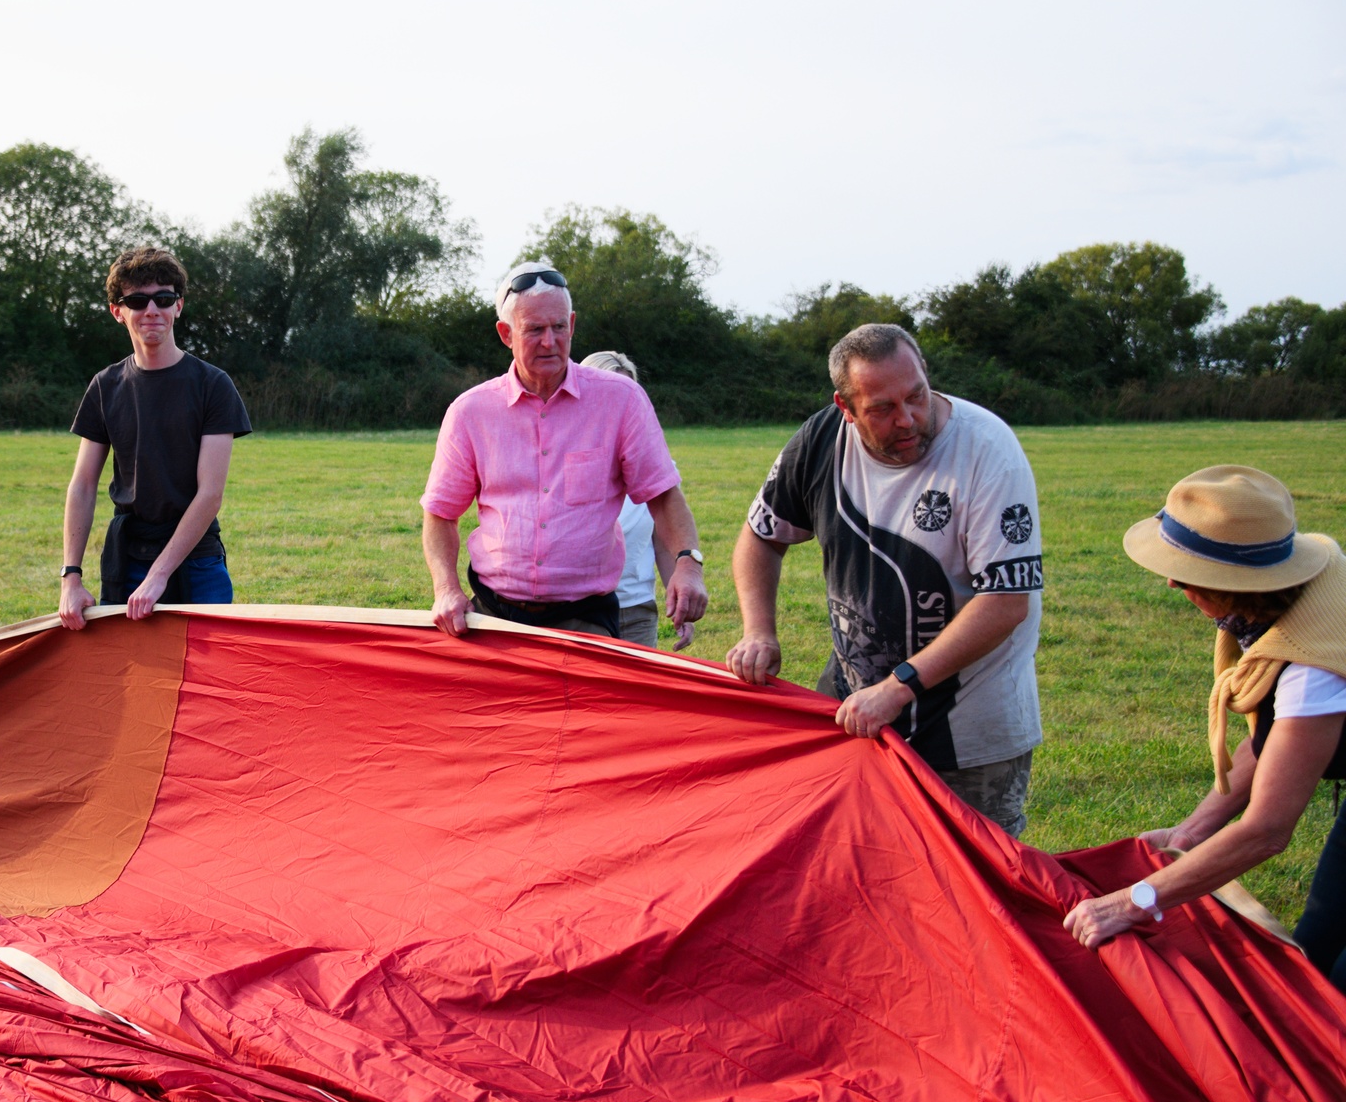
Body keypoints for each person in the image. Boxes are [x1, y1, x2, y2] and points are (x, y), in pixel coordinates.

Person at [727, 323, 1043, 835]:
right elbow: (761, 537)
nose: (908, 419)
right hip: (854, 710)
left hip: (968, 731)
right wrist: (759, 630)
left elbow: (1005, 602)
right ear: (845, 408)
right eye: (882, 409)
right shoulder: (822, 440)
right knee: (851, 857)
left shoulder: (987, 451)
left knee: (970, 875)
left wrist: (898, 688)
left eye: (916, 395)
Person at [1064, 466, 1346, 980]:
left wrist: (1133, 902)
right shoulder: (1294, 600)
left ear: (1234, 584)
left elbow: (1267, 830)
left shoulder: (1313, 664)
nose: (1172, 582)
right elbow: (1271, 743)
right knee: (1319, 953)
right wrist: (1191, 831)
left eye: (1187, 573)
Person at [421, 262, 709, 644]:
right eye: (534, 330)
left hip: (585, 618)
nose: (549, 341)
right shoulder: (470, 412)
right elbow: (441, 513)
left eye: (558, 327)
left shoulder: (621, 400)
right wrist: (445, 588)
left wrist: (688, 563)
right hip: (495, 616)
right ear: (506, 334)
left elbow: (663, 496)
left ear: (572, 325)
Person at [59, 247, 251, 629]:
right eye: (137, 300)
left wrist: (159, 575)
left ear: (178, 306)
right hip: (128, 559)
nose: (152, 310)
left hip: (198, 562)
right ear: (117, 311)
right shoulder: (105, 386)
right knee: (129, 667)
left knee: (205, 665)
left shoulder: (213, 385)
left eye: (163, 299)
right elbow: (82, 485)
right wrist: (71, 578)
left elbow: (210, 494)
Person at [579, 351, 675, 648]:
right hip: (580, 613)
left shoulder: (654, 465)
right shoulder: (560, 464)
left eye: (628, 396)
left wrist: (678, 597)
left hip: (637, 611)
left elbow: (664, 538)